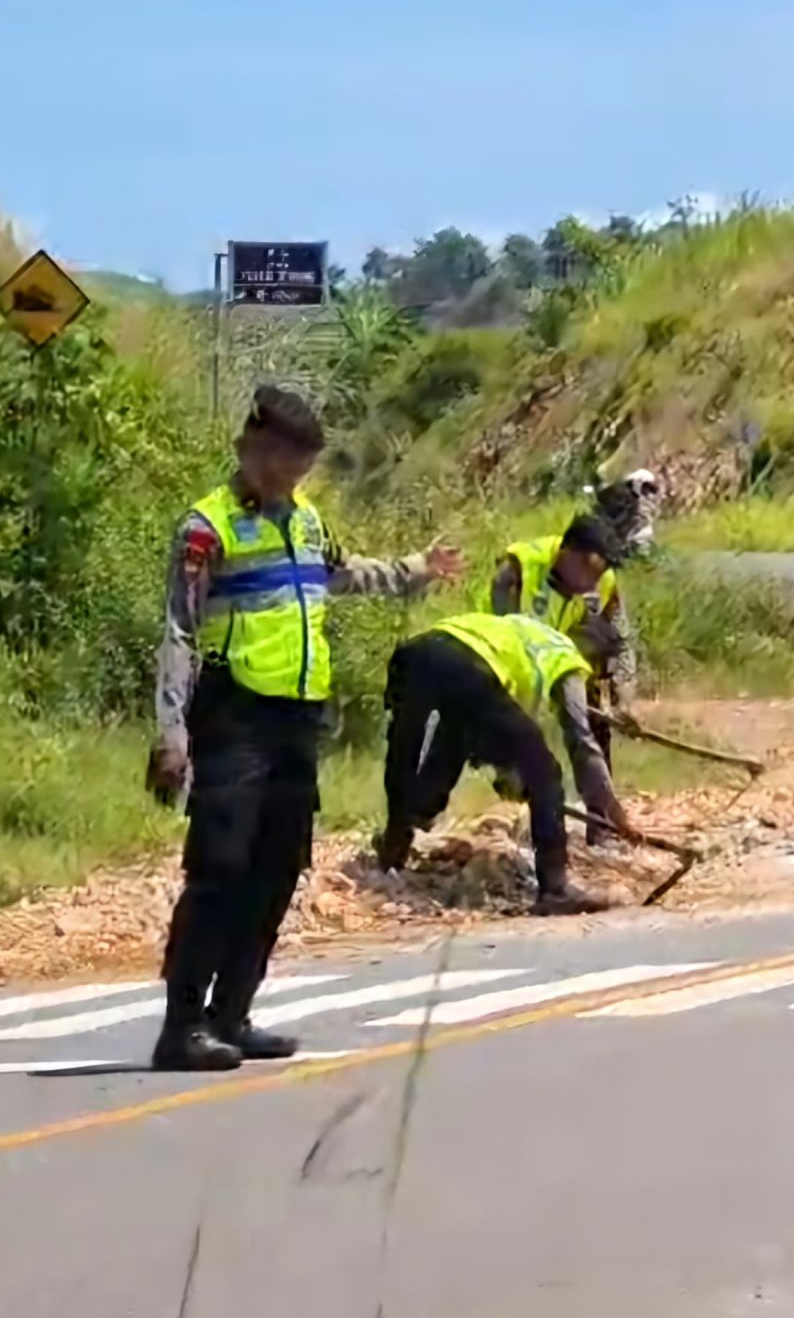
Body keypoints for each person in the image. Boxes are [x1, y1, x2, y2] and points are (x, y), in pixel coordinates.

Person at [145, 386, 462, 1073]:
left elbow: (343, 575)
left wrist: (415, 571)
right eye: (286, 461)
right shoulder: (209, 526)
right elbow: (178, 629)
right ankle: (182, 1025)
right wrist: (170, 731)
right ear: (253, 450)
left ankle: (234, 1012)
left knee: (278, 868)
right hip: (234, 715)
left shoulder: (307, 520)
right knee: (220, 869)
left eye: (304, 465)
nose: (294, 476)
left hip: (296, 718)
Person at [374, 577, 633, 917]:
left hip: (419, 652)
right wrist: (521, 777)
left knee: (414, 747)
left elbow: (483, 730)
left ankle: (396, 844)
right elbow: (573, 732)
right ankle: (554, 888)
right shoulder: (567, 657)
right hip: (469, 668)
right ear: (590, 650)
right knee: (545, 772)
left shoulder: (522, 629)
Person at [484, 514, 642, 846]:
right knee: (517, 741)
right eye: (589, 571)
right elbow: (500, 637)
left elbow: (620, 639)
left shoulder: (602, 580)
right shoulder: (518, 568)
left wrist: (624, 697)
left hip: (562, 651)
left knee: (588, 724)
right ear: (568, 553)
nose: (592, 583)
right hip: (509, 653)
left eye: (600, 574)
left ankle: (602, 824)